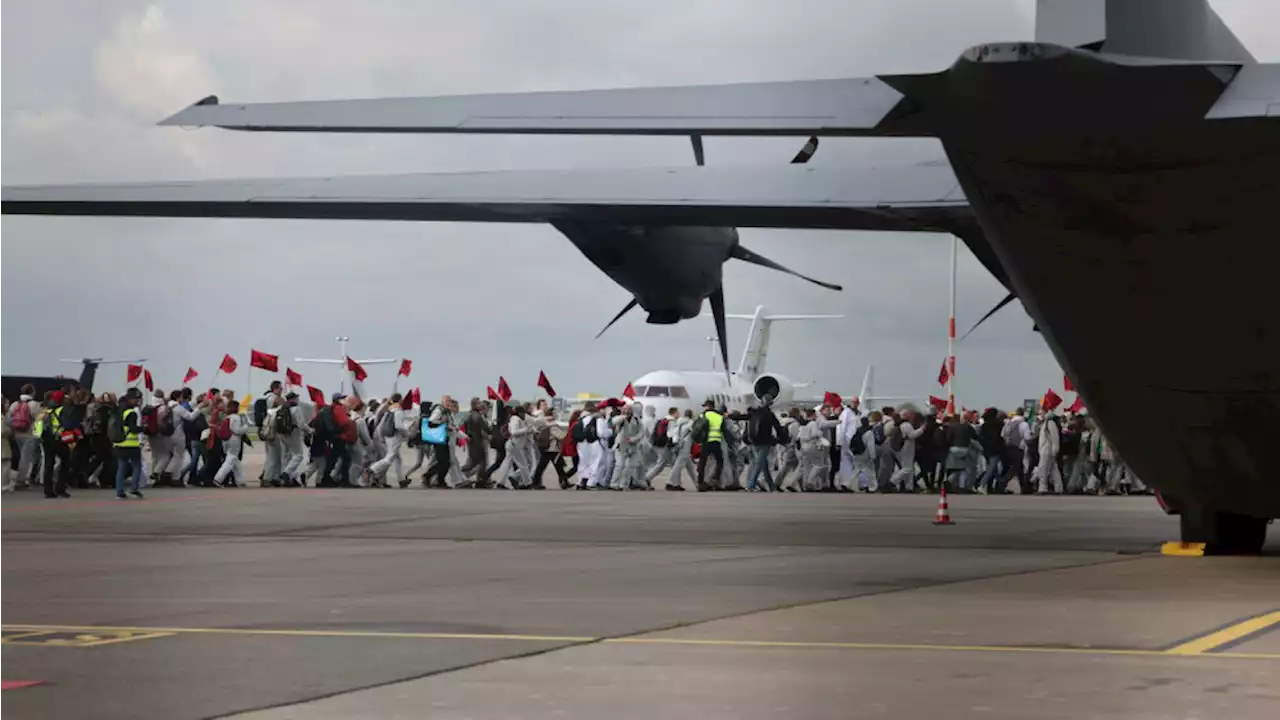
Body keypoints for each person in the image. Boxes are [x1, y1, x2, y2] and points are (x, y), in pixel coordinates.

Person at [745, 395, 784, 492]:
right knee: (760, 464)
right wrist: (780, 438)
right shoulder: (769, 414)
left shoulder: (755, 413)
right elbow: (778, 427)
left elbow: (743, 417)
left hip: (755, 441)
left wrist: (730, 415)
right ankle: (754, 485)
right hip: (765, 442)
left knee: (761, 464)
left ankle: (761, 485)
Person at [7, 384, 41, 491]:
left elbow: (9, 420)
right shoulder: (34, 405)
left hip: (17, 434)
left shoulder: (15, 404)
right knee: (27, 458)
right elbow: (39, 420)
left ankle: (20, 479)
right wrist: (38, 434)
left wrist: (12, 431)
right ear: (32, 393)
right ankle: (22, 480)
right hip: (29, 434)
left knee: (22, 456)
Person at [113, 388, 145, 499]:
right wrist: (143, 428)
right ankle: (134, 489)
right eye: (136, 399)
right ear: (130, 399)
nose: (138, 402)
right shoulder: (131, 412)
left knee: (121, 468)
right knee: (137, 466)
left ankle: (119, 491)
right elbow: (133, 429)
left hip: (118, 444)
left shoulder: (118, 410)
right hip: (130, 445)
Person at [214, 399, 250, 488]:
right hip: (234, 440)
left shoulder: (227, 417)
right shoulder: (236, 418)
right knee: (230, 460)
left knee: (235, 461)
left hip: (226, 440)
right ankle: (218, 478)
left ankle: (240, 480)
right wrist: (245, 427)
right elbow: (237, 430)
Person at [889, 409, 925, 493]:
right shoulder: (906, 424)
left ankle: (909, 487)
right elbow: (912, 435)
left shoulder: (901, 424)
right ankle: (893, 481)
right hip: (907, 447)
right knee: (907, 468)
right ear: (906, 416)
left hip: (902, 447)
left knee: (909, 468)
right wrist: (922, 429)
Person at [643, 407, 680, 487]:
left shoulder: (662, 420)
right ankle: (673, 483)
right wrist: (675, 443)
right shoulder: (671, 422)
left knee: (664, 463)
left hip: (657, 444)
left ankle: (648, 478)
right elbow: (671, 435)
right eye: (678, 413)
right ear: (674, 413)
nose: (679, 414)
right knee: (670, 464)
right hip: (664, 445)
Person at [693, 399, 724, 492]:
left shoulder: (702, 415)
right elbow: (723, 430)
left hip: (706, 442)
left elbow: (696, 428)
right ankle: (716, 481)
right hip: (716, 441)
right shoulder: (719, 416)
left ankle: (700, 483)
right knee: (719, 462)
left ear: (708, 406)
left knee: (702, 463)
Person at [1001, 408, 1033, 494]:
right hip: (1018, 448)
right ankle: (1002, 483)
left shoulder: (1008, 423)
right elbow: (1027, 438)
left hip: (1007, 447)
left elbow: (1003, 434)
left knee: (1019, 469)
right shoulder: (1024, 424)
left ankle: (1024, 487)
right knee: (1015, 468)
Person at [530, 407, 564, 489]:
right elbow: (561, 436)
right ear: (551, 414)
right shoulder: (552, 424)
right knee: (546, 466)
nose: (556, 414)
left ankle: (564, 481)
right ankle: (534, 482)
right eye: (555, 413)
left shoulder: (542, 422)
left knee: (555, 466)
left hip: (546, 447)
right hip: (552, 448)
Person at [1035, 410, 1064, 494]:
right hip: (1046, 449)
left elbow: (1055, 438)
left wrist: (1055, 449)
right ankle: (1058, 488)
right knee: (1053, 469)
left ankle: (1042, 487)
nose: (1040, 414)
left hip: (1047, 449)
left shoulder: (1050, 423)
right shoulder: (1046, 423)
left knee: (1043, 468)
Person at [0, 397, 13, 492]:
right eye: (6, 403)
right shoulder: (2, 417)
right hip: (3, 442)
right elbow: (2, 431)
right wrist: (10, 431)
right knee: (6, 464)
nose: (8, 405)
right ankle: (4, 485)